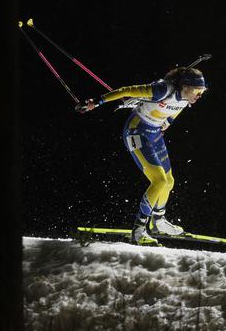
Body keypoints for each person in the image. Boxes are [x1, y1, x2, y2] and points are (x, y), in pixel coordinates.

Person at [77, 67, 207, 245]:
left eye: (202, 91)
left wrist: (168, 121)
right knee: (159, 181)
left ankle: (158, 222)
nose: (199, 95)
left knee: (169, 181)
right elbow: (127, 90)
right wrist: (97, 101)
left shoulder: (186, 97)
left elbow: (178, 108)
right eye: (197, 91)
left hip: (154, 134)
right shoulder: (162, 90)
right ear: (185, 86)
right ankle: (138, 231)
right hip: (136, 132)